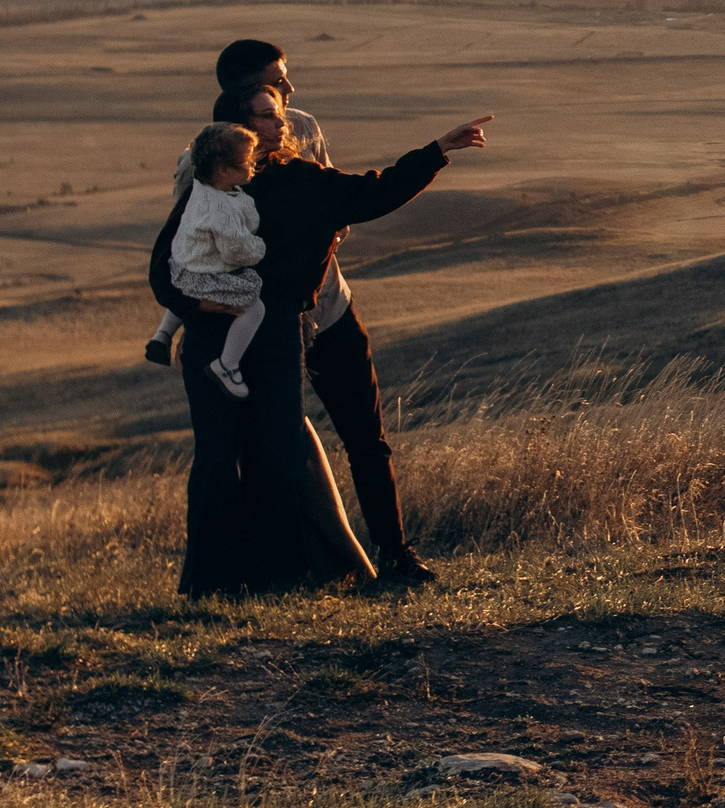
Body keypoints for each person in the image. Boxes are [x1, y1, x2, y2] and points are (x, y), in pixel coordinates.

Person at [150, 82, 492, 596]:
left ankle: (275, 580)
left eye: (277, 114)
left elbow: (374, 192)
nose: (280, 123)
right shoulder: (210, 189)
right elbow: (163, 271)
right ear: (237, 129)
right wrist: (203, 307)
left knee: (276, 454)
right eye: (266, 116)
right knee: (217, 460)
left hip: (276, 337)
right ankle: (207, 585)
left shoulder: (302, 179)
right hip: (212, 339)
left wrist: (438, 149)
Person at [154, 123, 270, 398]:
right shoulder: (221, 212)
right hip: (208, 273)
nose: (253, 166)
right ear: (224, 170)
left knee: (187, 288)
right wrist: (259, 247)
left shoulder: (202, 188)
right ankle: (227, 365)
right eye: (246, 162)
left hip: (187, 268)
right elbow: (234, 251)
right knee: (254, 308)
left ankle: (163, 333)